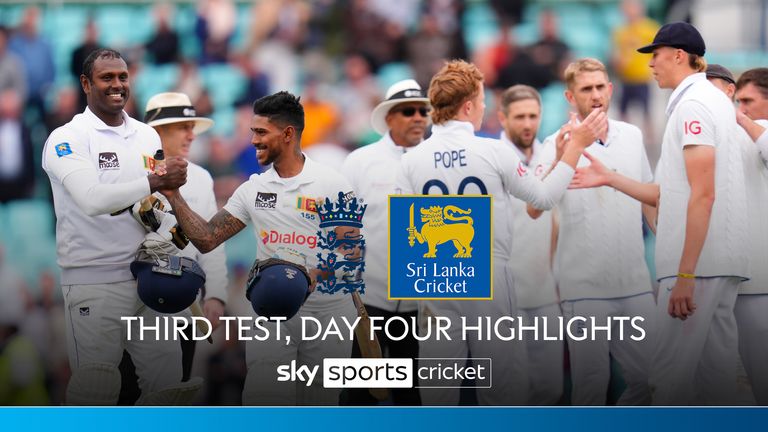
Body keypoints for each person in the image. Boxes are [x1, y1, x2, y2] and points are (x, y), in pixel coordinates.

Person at [395, 59, 607, 405]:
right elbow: (544, 197)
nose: (483, 109)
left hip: (433, 272)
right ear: (467, 106)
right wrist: (575, 146)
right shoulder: (493, 151)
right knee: (502, 393)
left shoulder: (410, 160)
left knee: (438, 395)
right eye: (480, 102)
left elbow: (406, 239)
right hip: (486, 271)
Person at [570, 23, 750, 405]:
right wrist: (610, 178)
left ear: (679, 56)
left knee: (665, 383)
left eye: (656, 54)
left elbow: (703, 194)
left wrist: (685, 273)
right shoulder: (714, 100)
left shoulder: (692, 104)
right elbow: (673, 192)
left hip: (697, 266)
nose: (651, 64)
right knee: (716, 386)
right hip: (724, 263)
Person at [158, 91, 358, 405]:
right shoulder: (253, 189)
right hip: (270, 312)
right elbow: (208, 238)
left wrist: (308, 278)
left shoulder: (333, 184)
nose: (252, 140)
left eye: (261, 132)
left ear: (288, 134)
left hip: (328, 315)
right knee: (264, 402)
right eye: (252, 131)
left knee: (317, 412)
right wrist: (174, 196)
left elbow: (352, 252)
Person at [41, 48, 191, 405]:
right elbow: (93, 200)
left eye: (122, 77)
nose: (117, 85)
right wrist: (154, 182)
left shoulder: (146, 136)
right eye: (107, 77)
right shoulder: (66, 139)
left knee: (167, 387)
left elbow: (148, 206)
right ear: (85, 83)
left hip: (149, 278)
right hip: (94, 281)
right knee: (96, 390)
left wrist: (172, 235)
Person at [534, 58, 655, 405]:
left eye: (601, 87)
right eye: (587, 89)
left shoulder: (632, 135)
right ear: (571, 97)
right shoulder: (555, 143)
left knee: (651, 382)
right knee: (590, 388)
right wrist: (562, 157)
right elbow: (537, 205)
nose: (596, 95)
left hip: (634, 282)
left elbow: (647, 194)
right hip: (583, 287)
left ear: (611, 89)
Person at [340, 79, 429, 405]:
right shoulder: (360, 161)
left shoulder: (437, 161)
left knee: (413, 397)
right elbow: (338, 226)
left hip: (421, 306)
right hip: (368, 303)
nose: (419, 117)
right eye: (409, 111)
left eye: (423, 111)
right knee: (363, 397)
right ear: (390, 117)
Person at [144, 92, 228, 378]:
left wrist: (216, 295)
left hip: (184, 305)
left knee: (173, 395)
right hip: (138, 304)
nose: (192, 135)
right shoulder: (133, 173)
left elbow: (211, 242)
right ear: (157, 131)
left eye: (192, 127)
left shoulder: (202, 177)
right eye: (183, 127)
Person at [496, 84, 564, 405]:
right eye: (520, 116)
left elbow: (554, 221)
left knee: (551, 389)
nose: (527, 124)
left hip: (544, 291)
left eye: (533, 116)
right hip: (504, 296)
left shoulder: (553, 155)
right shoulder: (491, 160)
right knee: (511, 392)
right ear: (502, 118)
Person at [714, 66, 768, 405]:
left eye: (748, 101)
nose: (742, 108)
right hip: (737, 279)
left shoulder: (751, 129)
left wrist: (737, 117)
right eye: (738, 101)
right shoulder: (727, 136)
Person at [612, 0, 660, 137]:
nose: (629, 11)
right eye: (626, 8)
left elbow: (659, 49)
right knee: (623, 110)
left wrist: (652, 66)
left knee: (646, 110)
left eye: (631, 7)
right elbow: (616, 52)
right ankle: (624, 136)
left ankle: (651, 140)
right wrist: (617, 61)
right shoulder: (620, 31)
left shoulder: (650, 28)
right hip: (625, 77)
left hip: (642, 77)